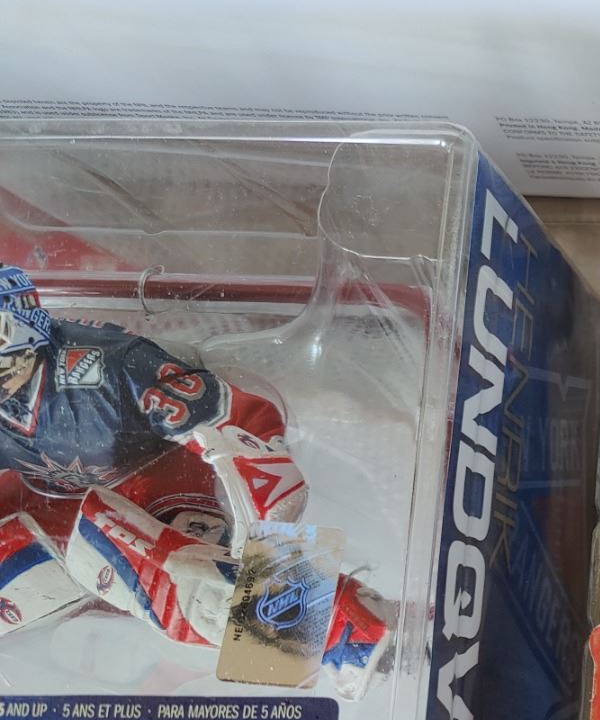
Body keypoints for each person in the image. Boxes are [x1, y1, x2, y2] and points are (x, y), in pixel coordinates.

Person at [0, 265, 389, 692]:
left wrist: (257, 526)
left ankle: (348, 629)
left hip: (173, 476)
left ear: (23, 324)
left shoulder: (105, 368)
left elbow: (238, 424)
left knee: (181, 581)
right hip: (62, 497)